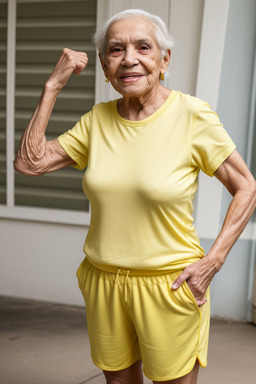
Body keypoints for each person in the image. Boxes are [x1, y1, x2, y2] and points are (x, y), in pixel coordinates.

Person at [14, 8, 256, 384]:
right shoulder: (97, 121)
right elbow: (30, 163)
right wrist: (52, 86)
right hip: (104, 283)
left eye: (143, 47)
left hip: (170, 285)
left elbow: (247, 186)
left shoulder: (192, 116)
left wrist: (213, 261)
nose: (129, 59)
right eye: (115, 50)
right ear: (104, 65)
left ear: (164, 59)